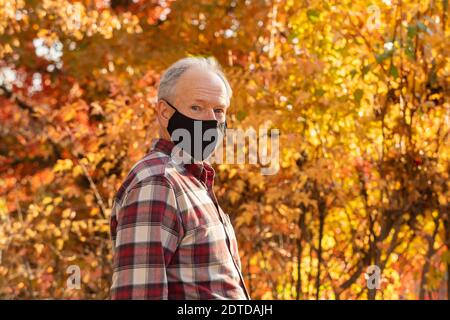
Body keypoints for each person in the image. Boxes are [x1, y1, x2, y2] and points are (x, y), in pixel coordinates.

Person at [109, 57, 250, 300]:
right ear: (164, 112)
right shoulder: (158, 183)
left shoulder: (192, 180)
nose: (211, 120)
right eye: (197, 107)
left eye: (219, 110)